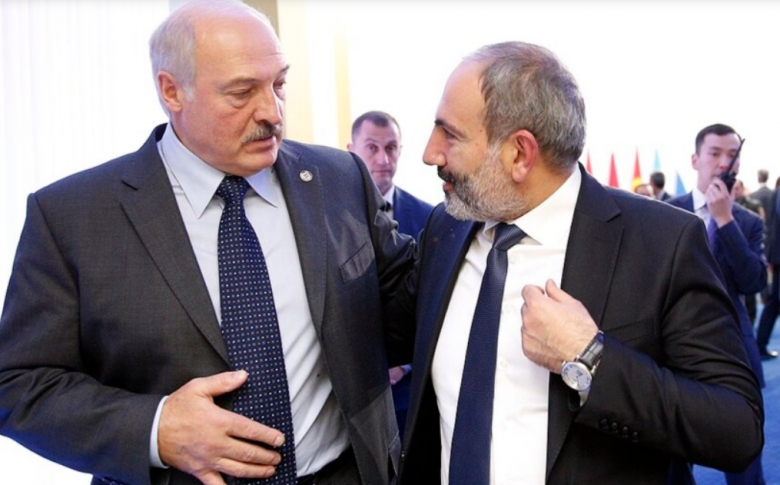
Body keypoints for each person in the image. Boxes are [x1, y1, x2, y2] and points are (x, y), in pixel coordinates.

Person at [0, 2, 415, 485]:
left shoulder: (339, 178)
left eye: (279, 84)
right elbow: (19, 384)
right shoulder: (73, 217)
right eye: (242, 92)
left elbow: (408, 302)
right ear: (171, 90)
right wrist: (156, 429)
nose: (272, 112)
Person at [386, 42, 763, 485]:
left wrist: (590, 359)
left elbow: (736, 429)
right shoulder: (445, 229)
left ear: (520, 154)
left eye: (450, 135)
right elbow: (378, 328)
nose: (430, 153)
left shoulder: (663, 242)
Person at [668, 123, 767, 485]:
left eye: (732, 156)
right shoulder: (666, 212)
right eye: (715, 153)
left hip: (732, 349)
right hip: (672, 348)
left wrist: (725, 220)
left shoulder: (747, 222)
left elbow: (753, 281)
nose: (724, 163)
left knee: (744, 460)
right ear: (696, 160)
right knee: (672, 462)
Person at [347, 110, 433, 441]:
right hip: (350, 395)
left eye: (391, 148)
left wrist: (405, 363)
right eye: (371, 147)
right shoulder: (325, 219)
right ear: (351, 150)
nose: (383, 159)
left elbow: (434, 302)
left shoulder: (430, 218)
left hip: (411, 395)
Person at [756, 178, 780, 359]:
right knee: (773, 303)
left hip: (775, 255)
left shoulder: (774, 194)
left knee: (773, 303)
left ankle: (760, 344)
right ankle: (760, 344)